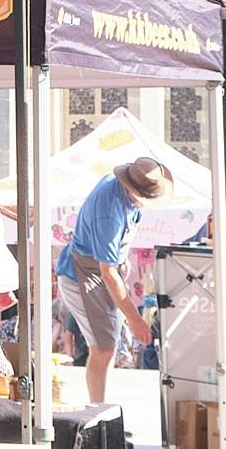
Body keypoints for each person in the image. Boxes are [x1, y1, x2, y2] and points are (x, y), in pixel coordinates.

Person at [53, 157, 167, 405]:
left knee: (107, 345)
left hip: (95, 270)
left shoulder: (118, 188)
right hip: (82, 275)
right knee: (103, 348)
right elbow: (108, 273)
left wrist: (121, 259)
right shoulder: (111, 214)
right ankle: (97, 416)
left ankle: (100, 413)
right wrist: (136, 320)